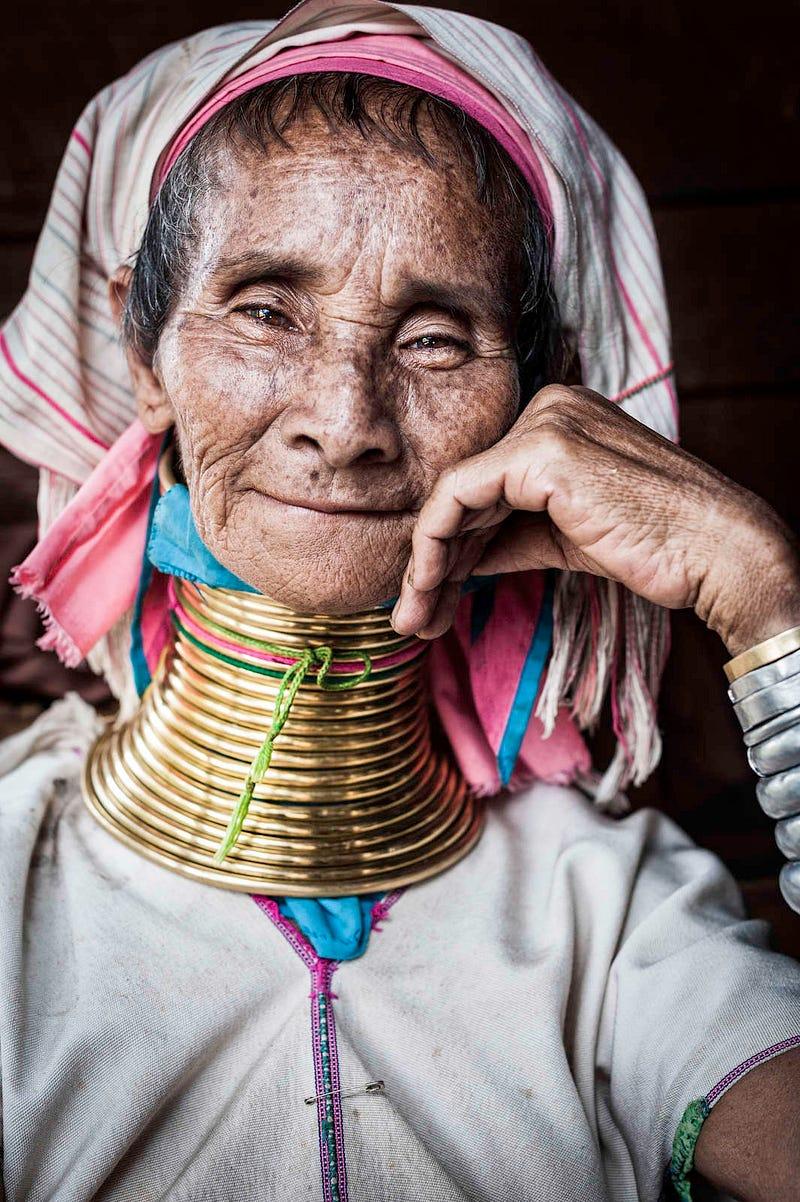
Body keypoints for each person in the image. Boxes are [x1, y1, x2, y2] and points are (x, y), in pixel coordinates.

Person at [1, 1, 799, 1199]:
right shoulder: (15, 875)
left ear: (539, 395)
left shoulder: (605, 910)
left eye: (434, 338)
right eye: (265, 309)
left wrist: (766, 599)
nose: (345, 421)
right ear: (143, 342)